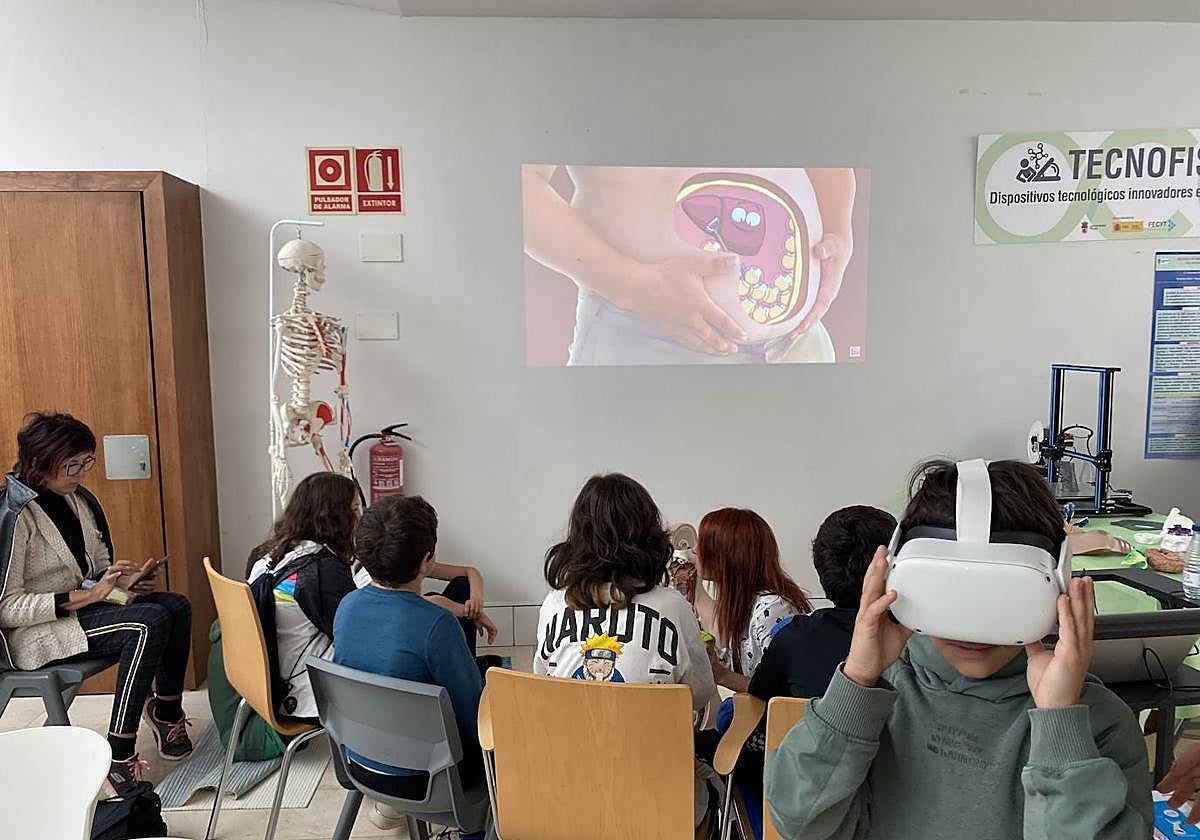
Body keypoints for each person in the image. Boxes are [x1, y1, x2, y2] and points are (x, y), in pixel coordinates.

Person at [764, 459, 1153, 840]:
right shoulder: (873, 699)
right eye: (950, 594)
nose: (975, 629)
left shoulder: (1094, 723)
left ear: (1058, 583)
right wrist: (855, 683)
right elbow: (799, 822)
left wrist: (1060, 728)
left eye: (1003, 596)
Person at [0, 412, 193, 799]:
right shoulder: (15, 513)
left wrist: (125, 585)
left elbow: (93, 576)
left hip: (83, 610)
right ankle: (119, 757)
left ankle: (166, 712)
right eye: (73, 465)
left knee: (175, 605)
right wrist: (90, 595)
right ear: (39, 462)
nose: (81, 474)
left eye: (86, 463)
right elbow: (6, 608)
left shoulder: (78, 499)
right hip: (34, 633)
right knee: (147, 623)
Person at [523, 165, 856, 365]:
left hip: (803, 347)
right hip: (646, 343)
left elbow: (831, 165)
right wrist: (634, 287)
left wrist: (840, 232)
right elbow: (521, 183)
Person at [534, 473, 719, 827]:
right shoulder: (672, 607)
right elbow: (699, 697)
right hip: (660, 805)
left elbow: (544, 686)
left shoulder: (554, 605)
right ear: (648, 536)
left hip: (568, 799)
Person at [712, 505, 896, 839]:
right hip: (891, 794)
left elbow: (759, 696)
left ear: (822, 572)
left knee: (731, 716)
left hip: (807, 802)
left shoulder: (795, 634)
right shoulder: (921, 648)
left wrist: (723, 678)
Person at [334, 495, 487, 840]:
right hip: (428, 779)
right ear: (427, 561)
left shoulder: (346, 607)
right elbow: (475, 715)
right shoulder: (437, 625)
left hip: (360, 763)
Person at [244, 472, 361, 721]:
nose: (359, 517)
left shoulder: (264, 555)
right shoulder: (322, 571)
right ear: (334, 519)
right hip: (301, 695)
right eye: (354, 509)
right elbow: (354, 635)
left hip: (264, 684)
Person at [688, 507, 811, 693]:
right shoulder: (743, 604)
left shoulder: (773, 609)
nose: (695, 550)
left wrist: (722, 675)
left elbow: (782, 690)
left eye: (704, 543)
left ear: (728, 555)